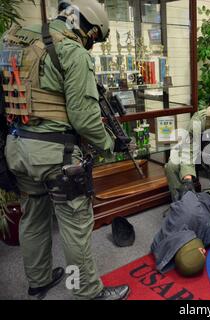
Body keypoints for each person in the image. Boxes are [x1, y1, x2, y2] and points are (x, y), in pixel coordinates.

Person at [1, 0, 129, 299]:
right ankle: (86, 290)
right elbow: (85, 120)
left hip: (17, 148)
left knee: (33, 215)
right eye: (94, 38)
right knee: (75, 223)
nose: (91, 44)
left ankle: (39, 280)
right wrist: (109, 145)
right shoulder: (72, 52)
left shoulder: (15, 41)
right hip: (54, 154)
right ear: (87, 27)